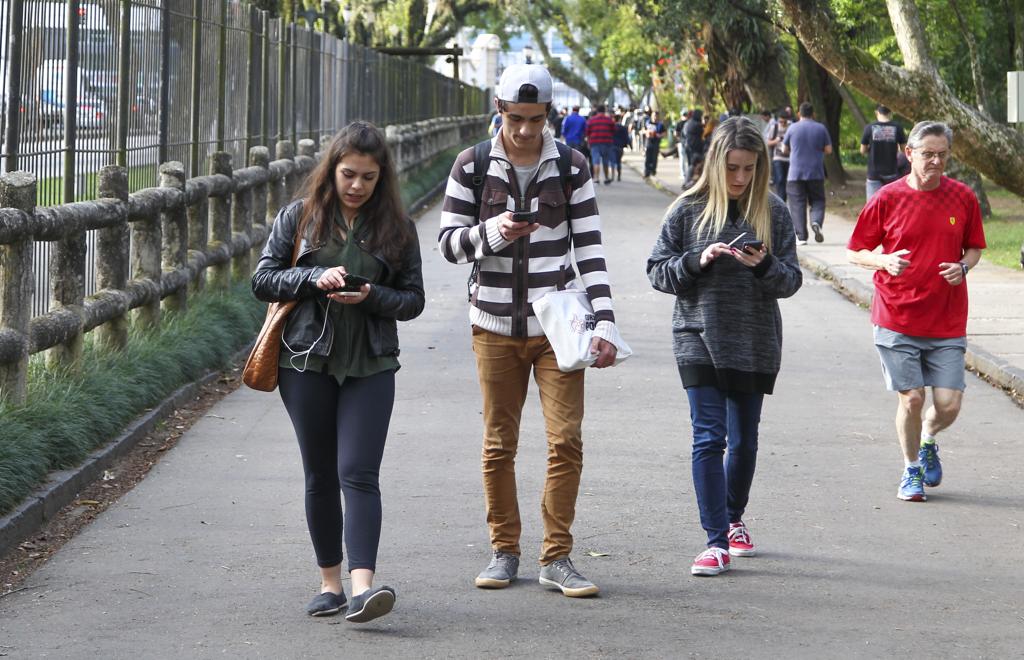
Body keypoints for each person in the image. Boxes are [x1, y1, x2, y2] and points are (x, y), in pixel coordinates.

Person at [439, 63, 619, 598]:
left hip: (555, 325)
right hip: (492, 325)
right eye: (515, 119)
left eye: (535, 120)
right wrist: (493, 231)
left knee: (566, 440)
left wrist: (605, 319)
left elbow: (588, 247)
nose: (524, 131)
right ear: (499, 111)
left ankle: (557, 557)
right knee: (500, 443)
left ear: (548, 116)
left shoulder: (571, 165)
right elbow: (448, 245)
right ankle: (504, 550)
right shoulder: (471, 166)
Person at [251, 121, 426, 622]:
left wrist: (372, 296)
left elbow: (413, 301)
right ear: (331, 171)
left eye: (369, 177)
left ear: (381, 178)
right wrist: (311, 277)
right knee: (321, 474)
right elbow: (264, 280)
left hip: (371, 364)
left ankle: (362, 587)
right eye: (349, 174)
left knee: (359, 472)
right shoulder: (299, 217)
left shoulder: (398, 229)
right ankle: (330, 583)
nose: (357, 186)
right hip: (305, 361)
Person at [646, 117, 802, 576]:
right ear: (715, 163)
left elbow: (790, 280)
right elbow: (657, 270)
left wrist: (763, 265)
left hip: (753, 339)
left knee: (745, 442)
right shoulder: (687, 209)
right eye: (732, 167)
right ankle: (714, 541)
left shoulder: (773, 212)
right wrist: (697, 260)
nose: (739, 178)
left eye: (749, 169)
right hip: (697, 336)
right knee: (708, 437)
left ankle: (734, 518)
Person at [846, 121, 986, 502]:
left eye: (942, 155)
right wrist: (883, 261)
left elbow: (974, 247)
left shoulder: (962, 197)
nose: (936, 162)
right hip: (897, 317)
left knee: (948, 404)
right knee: (911, 398)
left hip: (946, 318)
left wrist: (964, 267)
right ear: (909, 154)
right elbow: (855, 250)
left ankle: (928, 439)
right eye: (928, 154)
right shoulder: (888, 198)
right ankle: (910, 471)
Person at [782, 102, 832, 244]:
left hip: (795, 173)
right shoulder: (821, 128)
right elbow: (828, 150)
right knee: (817, 200)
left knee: (797, 204)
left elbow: (784, 149)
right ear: (813, 114)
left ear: (799, 114)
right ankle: (816, 222)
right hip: (816, 172)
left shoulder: (792, 128)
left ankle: (801, 237)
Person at [860, 104, 907, 200]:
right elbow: (904, 150)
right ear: (890, 112)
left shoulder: (869, 128)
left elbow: (862, 150)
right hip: (891, 172)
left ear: (876, 112)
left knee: (873, 205)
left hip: (874, 173)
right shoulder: (897, 127)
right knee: (891, 204)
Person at [585, 103, 616, 184]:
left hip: (594, 142)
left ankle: (596, 178)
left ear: (597, 111)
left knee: (596, 161)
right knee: (606, 161)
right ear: (604, 110)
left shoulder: (592, 120)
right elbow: (613, 131)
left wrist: (588, 142)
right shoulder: (609, 120)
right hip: (606, 143)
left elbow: (587, 132)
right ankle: (606, 178)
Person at [766, 110, 791, 201]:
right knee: (780, 179)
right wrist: (776, 141)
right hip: (778, 157)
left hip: (789, 158)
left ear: (788, 120)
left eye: (784, 122)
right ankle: (781, 200)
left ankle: (784, 199)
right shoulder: (774, 127)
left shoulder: (791, 128)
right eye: (780, 121)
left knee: (787, 180)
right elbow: (767, 142)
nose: (782, 123)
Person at [643, 110, 666, 177]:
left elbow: (664, 133)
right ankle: (646, 171)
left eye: (656, 116)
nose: (655, 117)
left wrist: (659, 135)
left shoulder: (660, 125)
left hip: (656, 143)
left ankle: (653, 171)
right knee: (648, 157)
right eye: (653, 116)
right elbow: (643, 130)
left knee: (654, 158)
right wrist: (646, 132)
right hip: (648, 142)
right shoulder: (648, 123)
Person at [612, 113, 630, 181]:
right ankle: (619, 175)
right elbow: (626, 138)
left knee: (612, 161)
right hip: (620, 147)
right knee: (619, 161)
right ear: (620, 119)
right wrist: (627, 144)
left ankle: (612, 175)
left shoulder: (612, 128)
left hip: (612, 146)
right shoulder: (624, 128)